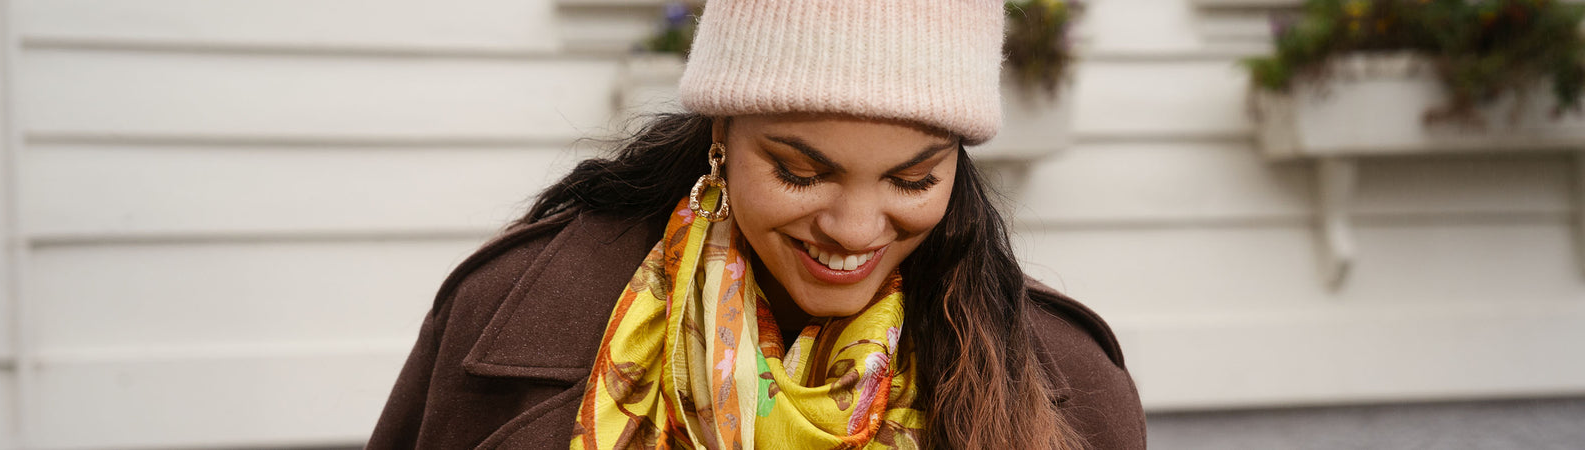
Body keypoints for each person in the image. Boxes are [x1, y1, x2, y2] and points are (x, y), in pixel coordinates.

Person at [367, 1, 1145, 449]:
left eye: (913, 179)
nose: (853, 227)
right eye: (801, 173)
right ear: (722, 134)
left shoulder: (1072, 383)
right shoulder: (501, 313)